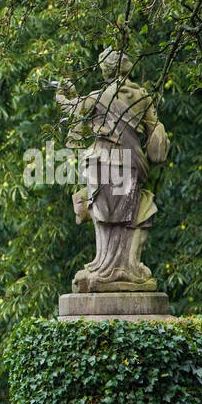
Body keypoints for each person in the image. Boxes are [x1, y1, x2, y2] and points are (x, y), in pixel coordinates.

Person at [55, 47, 167, 292]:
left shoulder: (98, 96)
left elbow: (73, 110)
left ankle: (103, 266)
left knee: (104, 216)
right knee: (127, 216)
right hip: (130, 162)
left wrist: (62, 95)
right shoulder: (142, 97)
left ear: (105, 69)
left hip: (101, 161)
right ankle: (128, 268)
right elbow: (153, 131)